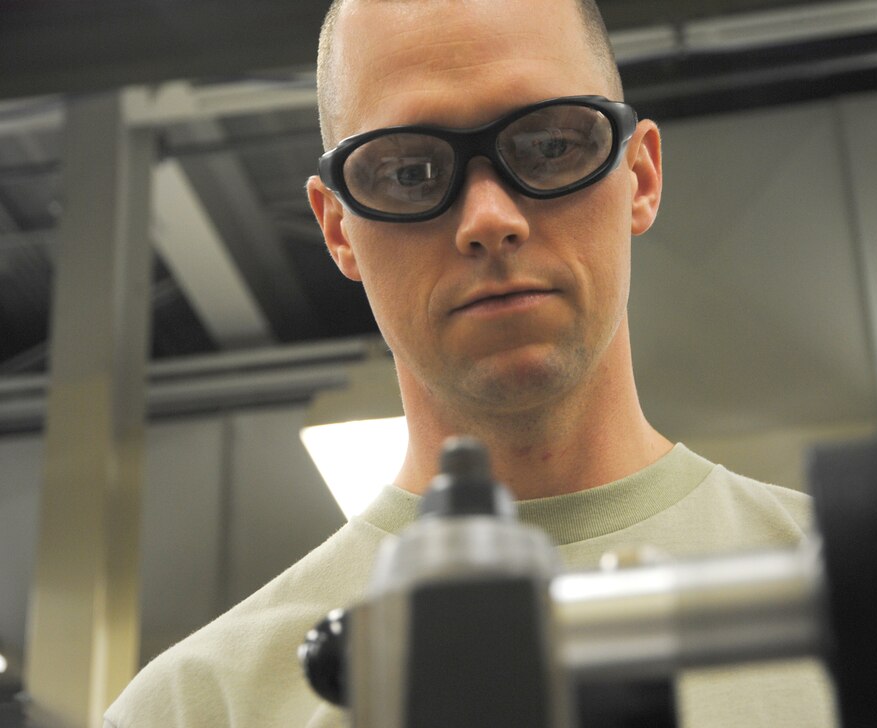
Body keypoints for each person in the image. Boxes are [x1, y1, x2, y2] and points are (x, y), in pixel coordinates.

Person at [104, 0, 837, 726]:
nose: (489, 219)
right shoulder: (195, 709)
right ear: (339, 230)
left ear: (639, 176)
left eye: (550, 145)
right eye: (409, 170)